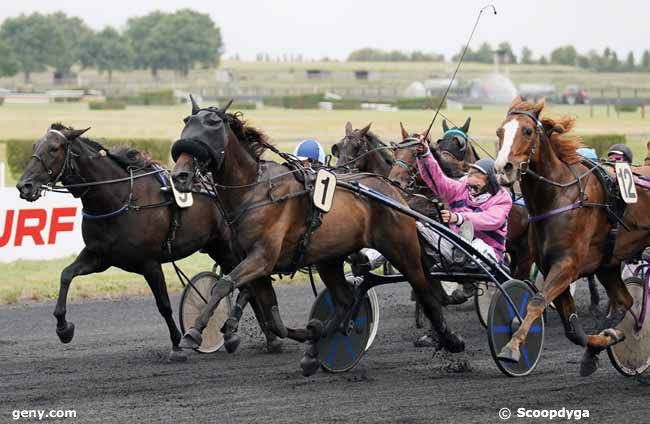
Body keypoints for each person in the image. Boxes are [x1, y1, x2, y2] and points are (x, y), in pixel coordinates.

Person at [415, 138, 513, 303]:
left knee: (476, 244)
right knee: (416, 226)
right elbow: (438, 181)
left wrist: (458, 218)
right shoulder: (461, 187)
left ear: (489, 179)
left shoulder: (502, 199)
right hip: (454, 248)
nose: (470, 177)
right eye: (470, 173)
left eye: (476, 174)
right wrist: (425, 155)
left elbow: (491, 220)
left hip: (488, 254)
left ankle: (466, 264)